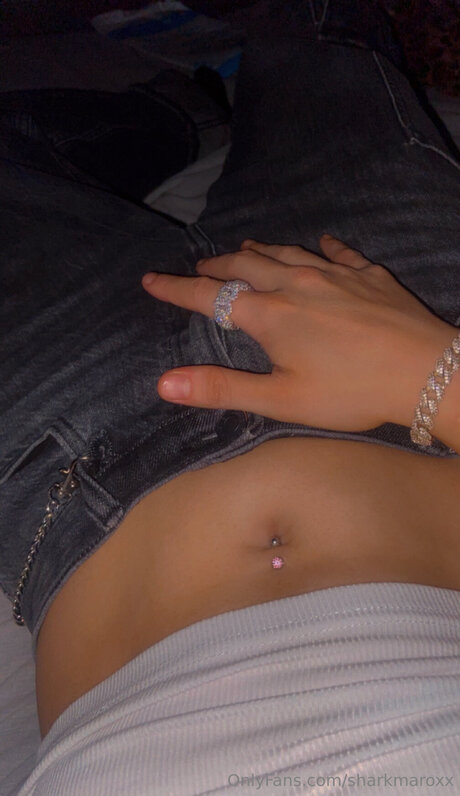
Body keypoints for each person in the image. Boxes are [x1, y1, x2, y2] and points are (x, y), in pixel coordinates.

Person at [1, 0, 460, 792]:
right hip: (405, 367)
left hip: (64, 460)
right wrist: (436, 373)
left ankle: (174, 115)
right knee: (321, 37)